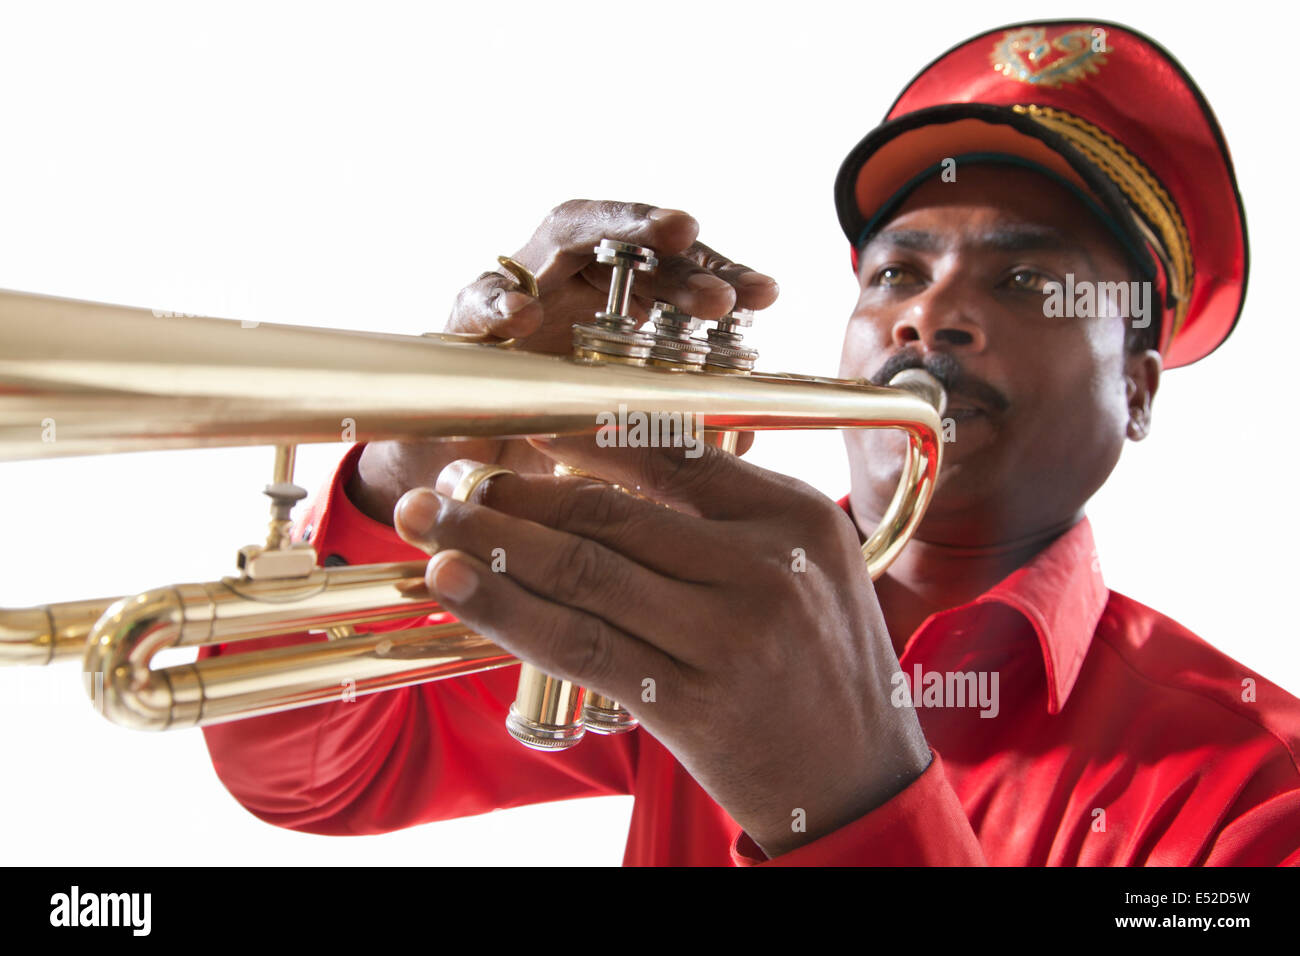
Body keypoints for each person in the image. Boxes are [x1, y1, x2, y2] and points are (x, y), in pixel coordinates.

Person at [200, 19, 1300, 865]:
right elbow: (314, 775)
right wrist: (412, 466)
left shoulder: (1260, 785)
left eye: (1024, 281)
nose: (926, 317)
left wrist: (847, 789)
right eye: (896, 275)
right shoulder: (687, 581)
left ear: (1140, 388)